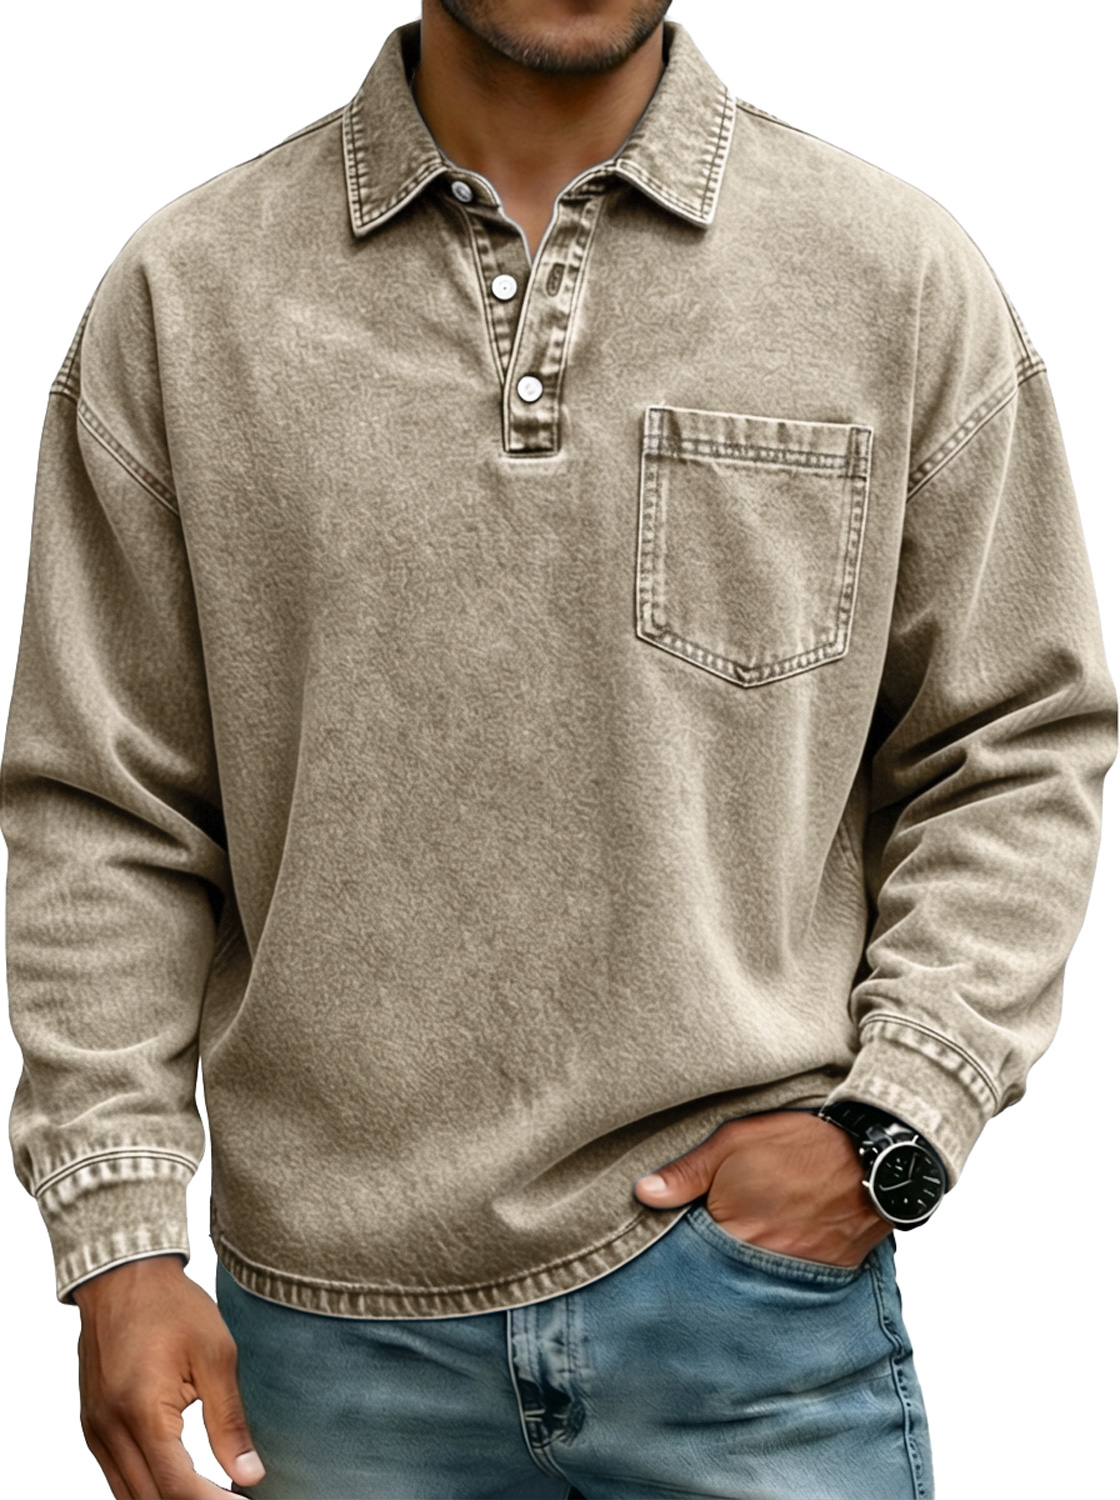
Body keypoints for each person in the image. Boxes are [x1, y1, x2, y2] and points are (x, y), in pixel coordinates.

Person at [2, 1, 1115, 1496]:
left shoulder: (891, 275)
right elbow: (104, 807)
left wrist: (897, 1124)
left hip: (749, 1326)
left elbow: (1016, 739)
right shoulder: (188, 295)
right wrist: (120, 1237)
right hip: (330, 1344)